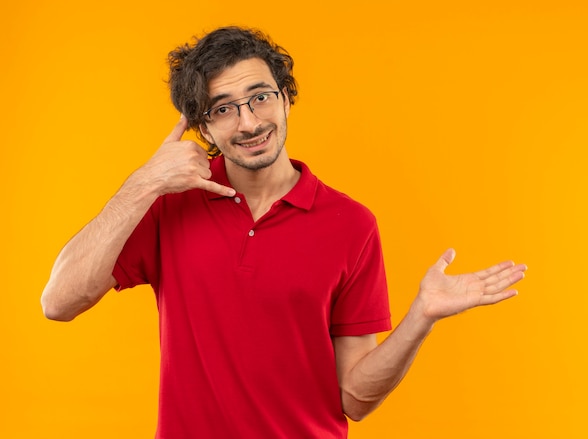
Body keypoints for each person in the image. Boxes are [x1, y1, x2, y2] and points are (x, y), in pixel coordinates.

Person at [41, 26, 527, 438]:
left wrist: (421, 316)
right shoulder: (168, 204)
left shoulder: (352, 225)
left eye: (260, 97)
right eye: (224, 108)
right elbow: (58, 303)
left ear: (286, 97)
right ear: (203, 128)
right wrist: (145, 182)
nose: (250, 121)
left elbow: (355, 399)